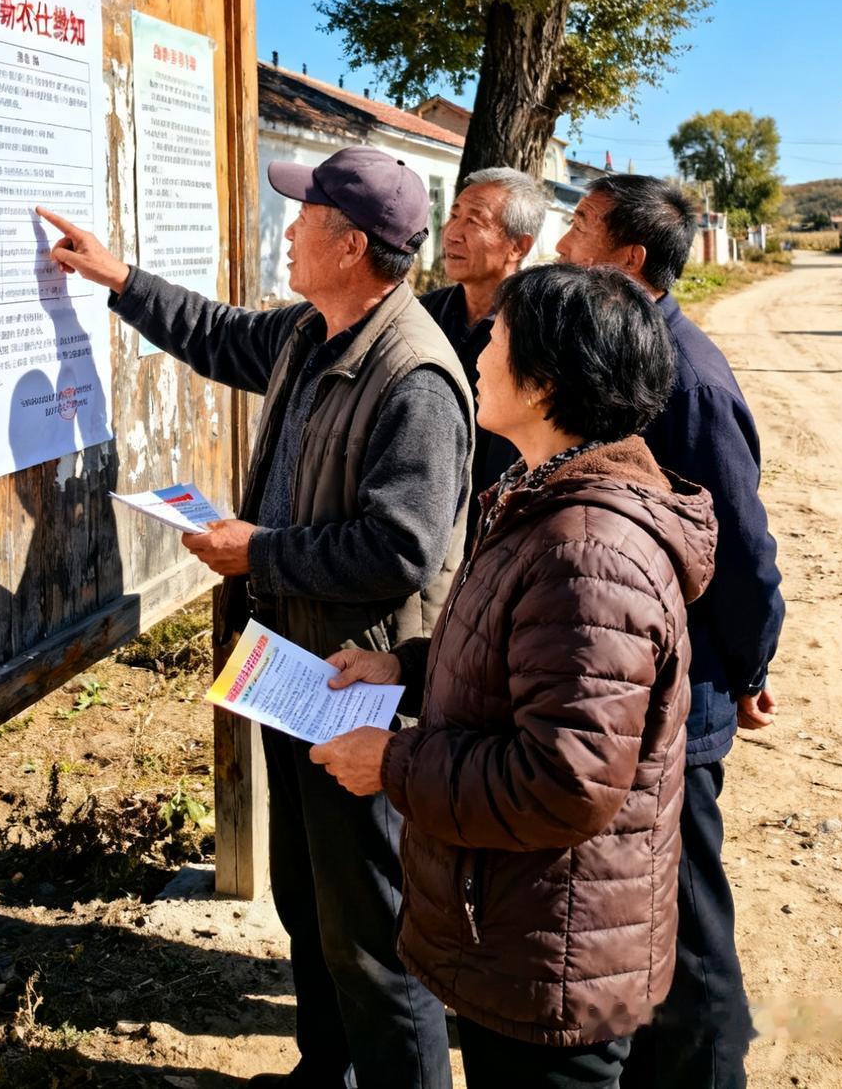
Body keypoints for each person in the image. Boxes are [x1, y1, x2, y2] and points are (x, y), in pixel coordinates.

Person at [37, 144, 474, 1089]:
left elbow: (400, 549)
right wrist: (119, 277)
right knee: (308, 901)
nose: (287, 232)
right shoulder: (312, 333)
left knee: (374, 928)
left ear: (351, 245)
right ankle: (329, 1074)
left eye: (303, 218)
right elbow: (216, 332)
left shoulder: (417, 378)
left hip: (360, 685)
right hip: (291, 666)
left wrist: (258, 551)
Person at [310, 263, 717, 1089]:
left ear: (545, 383)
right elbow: (523, 666)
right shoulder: (542, 497)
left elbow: (562, 781)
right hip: (522, 926)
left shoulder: (587, 552)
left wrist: (389, 764)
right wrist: (406, 668)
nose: (477, 354)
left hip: (554, 951)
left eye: (496, 338)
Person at [556, 174, 785, 1089]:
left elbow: (741, 548)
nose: (562, 241)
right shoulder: (613, 352)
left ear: (628, 259)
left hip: (681, 697)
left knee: (687, 919)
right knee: (644, 910)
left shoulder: (684, 376)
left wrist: (748, 664)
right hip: (633, 685)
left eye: (578, 227)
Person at [422, 167, 549, 532]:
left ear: (518, 246)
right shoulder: (422, 317)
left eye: (474, 221)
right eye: (453, 215)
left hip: (500, 531)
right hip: (427, 524)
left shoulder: (538, 333)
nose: (453, 233)